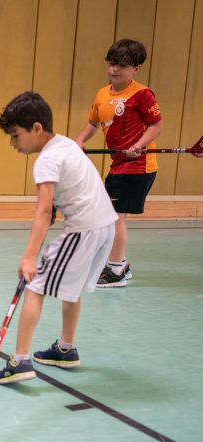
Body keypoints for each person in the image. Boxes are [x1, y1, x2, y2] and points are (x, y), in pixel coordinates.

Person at [0, 92, 117, 384]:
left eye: (15, 136)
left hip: (83, 229)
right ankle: (65, 348)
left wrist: (28, 256)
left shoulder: (46, 161)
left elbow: (44, 210)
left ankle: (20, 361)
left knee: (35, 285)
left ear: (36, 128)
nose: (12, 144)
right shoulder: (67, 144)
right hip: (106, 226)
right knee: (70, 289)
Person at [75, 38, 163, 288]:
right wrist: (80, 140)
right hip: (118, 165)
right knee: (109, 215)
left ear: (135, 68)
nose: (114, 69)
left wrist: (139, 145)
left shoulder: (142, 94)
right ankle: (119, 264)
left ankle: (115, 271)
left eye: (121, 66)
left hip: (138, 166)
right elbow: (93, 123)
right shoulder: (102, 94)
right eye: (111, 64)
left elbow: (157, 125)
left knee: (114, 218)